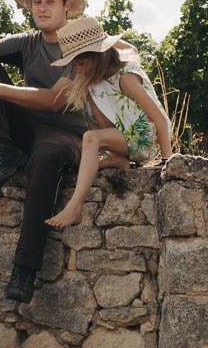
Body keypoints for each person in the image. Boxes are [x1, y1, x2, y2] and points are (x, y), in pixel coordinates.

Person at [0, 0, 132, 303]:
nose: (41, 8)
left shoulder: (81, 46)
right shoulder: (26, 42)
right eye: (36, 1)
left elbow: (55, 101)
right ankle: (2, 150)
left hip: (67, 134)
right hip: (28, 126)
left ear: (67, 6)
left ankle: (24, 269)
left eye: (50, 1)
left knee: (46, 158)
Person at [43, 17, 173, 228]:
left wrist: (169, 161)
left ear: (98, 57)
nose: (77, 68)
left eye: (81, 62)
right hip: (122, 139)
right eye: (74, 63)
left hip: (143, 139)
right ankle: (118, 159)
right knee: (81, 163)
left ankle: (75, 207)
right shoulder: (94, 82)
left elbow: (159, 118)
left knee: (90, 138)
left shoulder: (126, 77)